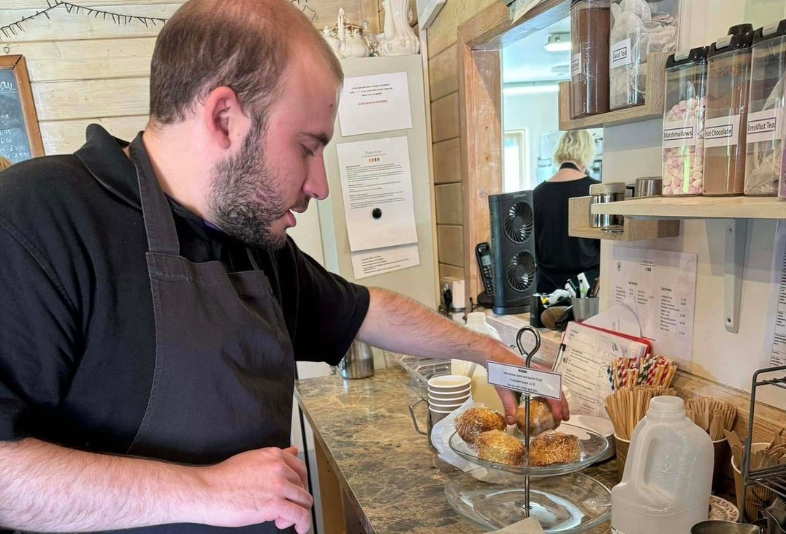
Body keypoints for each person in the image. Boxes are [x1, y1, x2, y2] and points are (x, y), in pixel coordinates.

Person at [0, 1, 568, 533]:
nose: (319, 185)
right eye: (306, 146)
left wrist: (487, 352)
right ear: (224, 117)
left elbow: (366, 310)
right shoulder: (40, 217)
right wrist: (203, 490)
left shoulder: (247, 239)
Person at [532, 130, 600, 295]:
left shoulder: (537, 193)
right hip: (585, 287)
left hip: (546, 287)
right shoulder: (596, 190)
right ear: (587, 151)